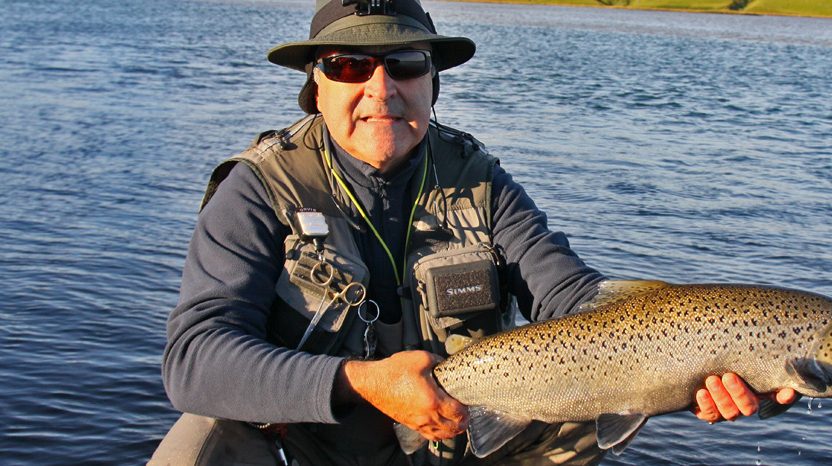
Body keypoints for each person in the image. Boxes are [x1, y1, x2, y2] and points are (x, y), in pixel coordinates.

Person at [151, 0, 796, 465]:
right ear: (314, 86)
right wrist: (362, 382)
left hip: (464, 436)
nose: (381, 88)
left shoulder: (481, 182)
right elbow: (192, 360)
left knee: (586, 410)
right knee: (202, 433)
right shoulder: (257, 189)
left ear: (433, 83)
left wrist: (722, 367)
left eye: (404, 63)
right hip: (315, 445)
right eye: (349, 65)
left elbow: (572, 299)